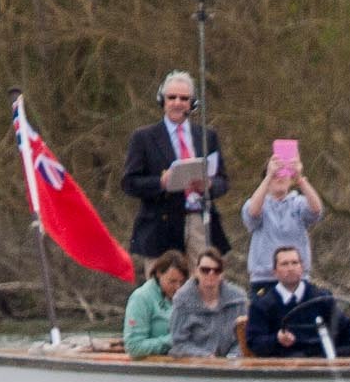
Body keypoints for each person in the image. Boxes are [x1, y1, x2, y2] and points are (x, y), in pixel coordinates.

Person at [119, 70, 229, 264]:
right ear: (163, 100)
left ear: (192, 103)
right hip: (161, 226)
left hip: (198, 221)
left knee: (204, 282)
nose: (178, 103)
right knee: (163, 287)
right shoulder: (144, 138)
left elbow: (223, 181)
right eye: (172, 97)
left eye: (184, 98)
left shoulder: (207, 136)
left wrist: (209, 185)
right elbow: (129, 182)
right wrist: (160, 182)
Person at [244, 246, 350, 358]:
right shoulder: (262, 304)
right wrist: (277, 339)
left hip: (324, 360)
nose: (290, 268)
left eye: (295, 263)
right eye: (284, 264)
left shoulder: (322, 298)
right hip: (287, 364)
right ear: (275, 271)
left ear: (302, 267)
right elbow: (254, 343)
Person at [240, 150, 324, 293]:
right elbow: (252, 213)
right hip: (264, 279)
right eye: (275, 176)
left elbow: (316, 210)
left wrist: (299, 177)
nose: (279, 179)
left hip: (297, 278)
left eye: (283, 175)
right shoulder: (257, 203)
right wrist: (269, 175)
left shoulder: (298, 203)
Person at [168, 248, 247, 357]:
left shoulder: (238, 299)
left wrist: (232, 357)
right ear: (196, 271)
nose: (211, 274)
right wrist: (204, 356)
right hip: (194, 365)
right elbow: (178, 343)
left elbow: (244, 339)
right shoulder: (182, 300)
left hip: (231, 364)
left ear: (222, 274)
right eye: (205, 270)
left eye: (217, 270)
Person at [123, 250, 188, 358]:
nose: (178, 288)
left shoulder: (184, 295)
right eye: (172, 281)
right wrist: (171, 340)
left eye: (181, 282)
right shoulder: (141, 298)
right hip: (152, 368)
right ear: (158, 273)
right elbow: (133, 347)